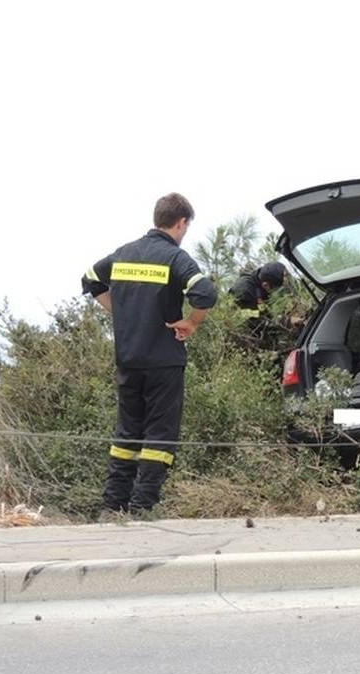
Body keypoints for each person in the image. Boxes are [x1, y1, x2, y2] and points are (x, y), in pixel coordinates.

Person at [81, 193, 218, 515]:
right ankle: (142, 507)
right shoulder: (174, 257)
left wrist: (122, 313)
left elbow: (90, 279)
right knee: (160, 434)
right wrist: (193, 323)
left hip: (128, 358)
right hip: (164, 361)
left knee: (126, 432)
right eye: (187, 226)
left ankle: (113, 506)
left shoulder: (124, 254)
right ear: (181, 222)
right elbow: (205, 293)